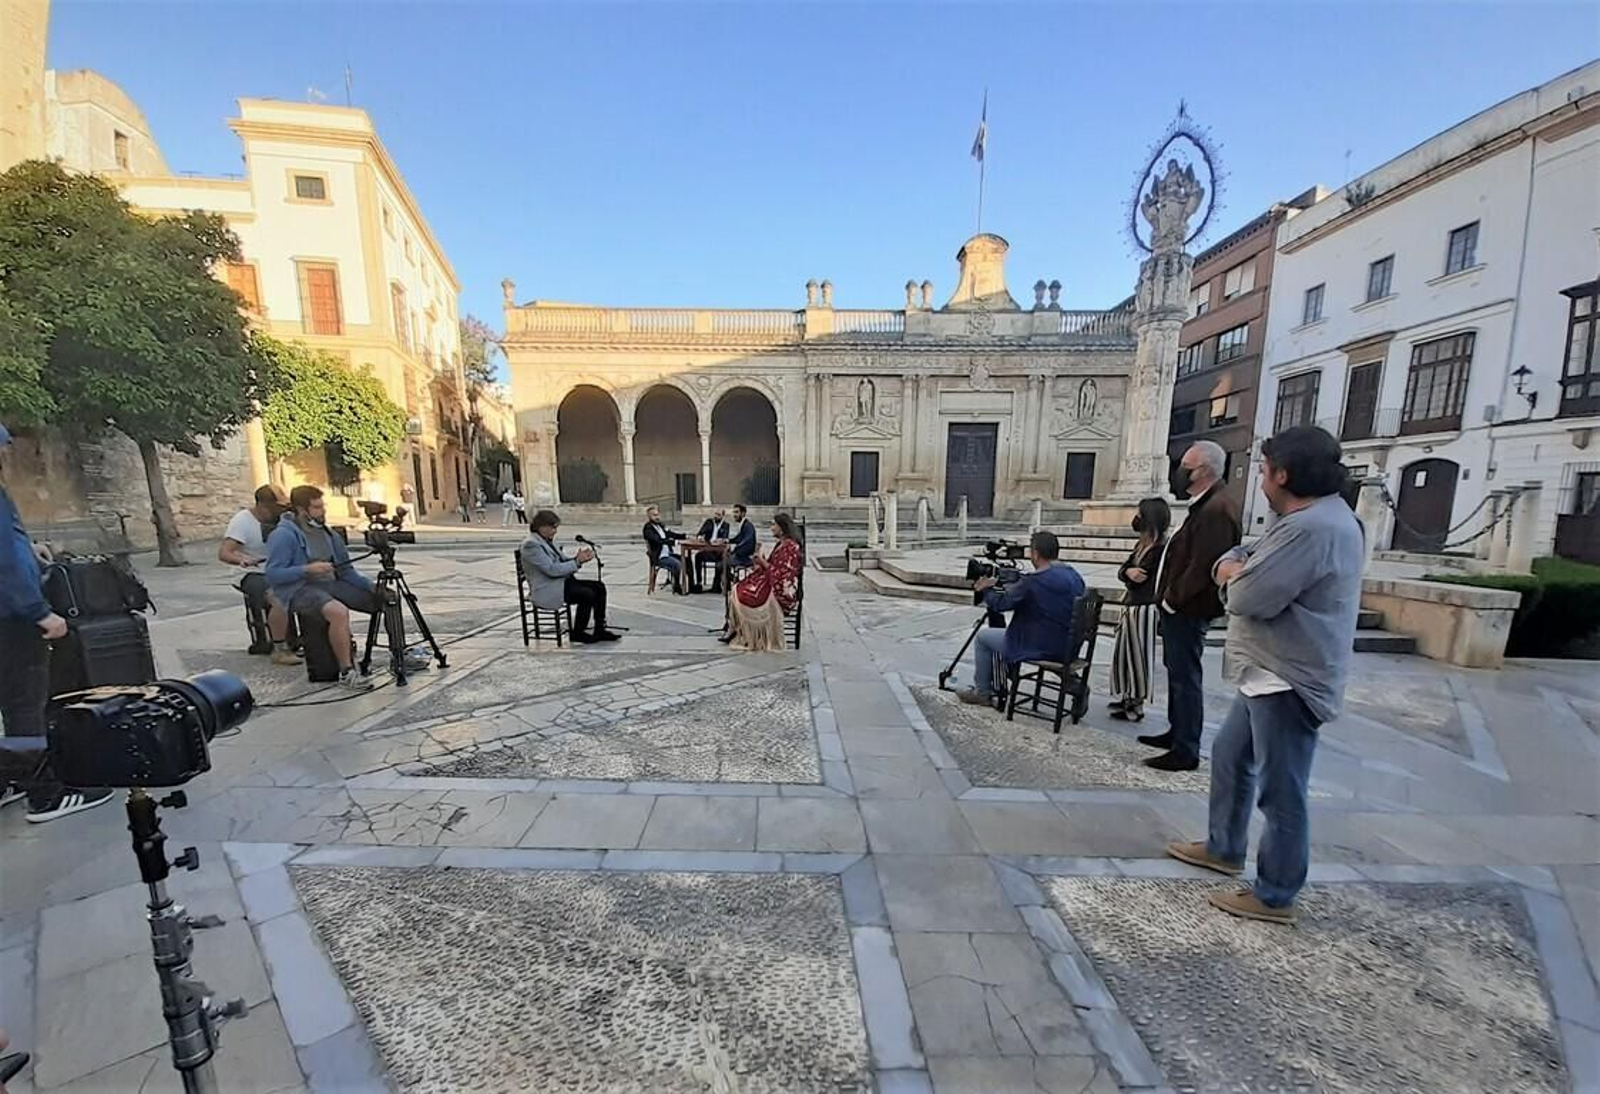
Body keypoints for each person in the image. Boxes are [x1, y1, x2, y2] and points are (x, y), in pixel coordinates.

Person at [1166, 426, 1363, 925]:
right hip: (1266, 673)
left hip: (1289, 678)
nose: (1259, 478)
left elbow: (1248, 596)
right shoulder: (1304, 520)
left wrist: (1232, 574)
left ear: (1283, 475)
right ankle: (1224, 846)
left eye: (1263, 469)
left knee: (1282, 790)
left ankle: (1275, 893)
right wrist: (1235, 565)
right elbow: (1243, 556)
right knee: (1231, 756)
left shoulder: (1312, 528)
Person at [0, 422, 114, 823]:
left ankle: (9, 777)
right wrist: (40, 612)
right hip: (11, 619)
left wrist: (28, 548)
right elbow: (5, 564)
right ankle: (45, 795)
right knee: (24, 704)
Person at [1141, 439, 1242, 772]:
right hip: (1181, 609)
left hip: (1189, 609)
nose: (1180, 471)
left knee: (1186, 677)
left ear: (1204, 471)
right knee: (1177, 673)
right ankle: (1177, 732)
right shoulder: (1206, 505)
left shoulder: (1217, 510)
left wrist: (1171, 599)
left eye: (1186, 466)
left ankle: (1186, 749)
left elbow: (1203, 566)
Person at [956, 530, 1086, 708]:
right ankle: (1073, 683)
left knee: (983, 638)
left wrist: (985, 589)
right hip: (1069, 646)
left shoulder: (1034, 581)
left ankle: (982, 693)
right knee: (1041, 633)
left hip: (1043, 646)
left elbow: (1001, 604)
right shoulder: (1074, 575)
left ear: (1035, 553)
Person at [266, 485, 377, 690]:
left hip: (330, 584)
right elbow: (273, 574)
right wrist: (306, 569)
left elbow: (346, 570)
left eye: (322, 506)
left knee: (385, 599)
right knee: (338, 612)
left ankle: (401, 654)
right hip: (299, 589)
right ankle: (347, 672)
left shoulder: (329, 534)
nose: (323, 511)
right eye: (317, 507)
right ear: (301, 510)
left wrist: (371, 586)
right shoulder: (283, 535)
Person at [219, 483, 301, 666]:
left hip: (278, 569)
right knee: (277, 595)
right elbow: (225, 553)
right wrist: (243, 559)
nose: (281, 511)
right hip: (251, 572)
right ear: (263, 506)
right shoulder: (242, 521)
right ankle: (279, 649)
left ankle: (305, 640)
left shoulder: (283, 520)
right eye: (277, 507)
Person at [1108, 497, 1171, 722]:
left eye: (1140, 514)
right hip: (1131, 605)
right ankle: (1127, 696)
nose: (1136, 518)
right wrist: (1128, 572)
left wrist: (1129, 574)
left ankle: (1137, 704)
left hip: (1145, 607)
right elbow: (1125, 571)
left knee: (1138, 657)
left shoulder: (1160, 550)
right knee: (1125, 654)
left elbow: (1140, 580)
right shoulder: (1141, 545)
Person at [521, 509, 619, 643]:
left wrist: (578, 559)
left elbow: (562, 561)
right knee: (586, 594)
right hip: (548, 588)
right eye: (553, 528)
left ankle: (600, 629)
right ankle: (578, 633)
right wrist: (576, 562)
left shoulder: (547, 541)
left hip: (562, 582)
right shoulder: (531, 544)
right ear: (541, 526)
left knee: (599, 587)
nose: (555, 531)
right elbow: (551, 570)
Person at [721, 512, 804, 650]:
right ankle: (737, 628)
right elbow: (773, 566)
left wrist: (762, 561)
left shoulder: (790, 547)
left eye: (774, 525)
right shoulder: (781, 544)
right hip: (770, 581)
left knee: (742, 594)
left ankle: (745, 631)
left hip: (780, 590)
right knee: (738, 587)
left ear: (782, 528)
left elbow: (782, 575)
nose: (771, 528)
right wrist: (760, 562)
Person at [642, 505, 686, 594]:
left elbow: (670, 534)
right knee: (677, 564)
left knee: (687, 560)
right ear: (649, 516)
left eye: (657, 515)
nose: (657, 517)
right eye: (654, 515)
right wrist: (673, 542)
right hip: (659, 556)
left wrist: (684, 536)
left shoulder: (660, 526)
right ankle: (677, 587)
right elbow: (657, 540)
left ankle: (691, 586)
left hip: (668, 553)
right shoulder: (648, 529)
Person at [691, 507, 731, 592]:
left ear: (723, 516)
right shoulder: (709, 522)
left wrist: (721, 540)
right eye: (715, 514)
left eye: (718, 515)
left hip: (719, 552)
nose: (716, 516)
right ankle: (699, 582)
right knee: (698, 556)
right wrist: (700, 537)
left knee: (722, 560)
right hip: (708, 550)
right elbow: (700, 533)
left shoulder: (726, 525)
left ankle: (716, 585)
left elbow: (725, 538)